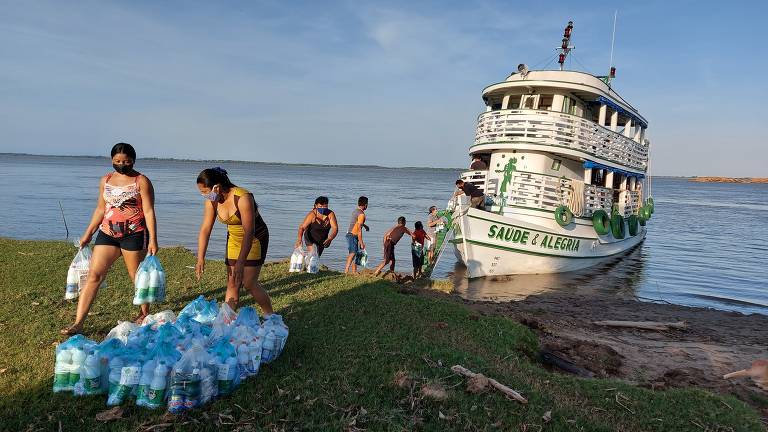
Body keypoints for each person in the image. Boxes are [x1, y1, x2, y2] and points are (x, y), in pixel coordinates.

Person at [61, 143, 158, 335]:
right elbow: (100, 209)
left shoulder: (141, 181)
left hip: (134, 233)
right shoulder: (105, 180)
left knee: (136, 278)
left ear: (133, 161)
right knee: (94, 276)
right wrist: (89, 232)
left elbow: (148, 211)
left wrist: (153, 239)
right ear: (112, 160)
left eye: (126, 161)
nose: (122, 165)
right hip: (107, 233)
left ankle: (143, 315)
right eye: (118, 161)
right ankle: (78, 323)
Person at [195, 168, 273, 314]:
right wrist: (200, 258)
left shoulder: (243, 197)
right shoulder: (212, 201)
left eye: (205, 191)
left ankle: (270, 316)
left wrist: (240, 262)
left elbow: (249, 231)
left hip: (255, 238)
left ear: (216, 187)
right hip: (234, 239)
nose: (204, 195)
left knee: (249, 283)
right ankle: (227, 320)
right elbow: (205, 229)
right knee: (232, 283)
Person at [344, 196, 368, 274]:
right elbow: (359, 229)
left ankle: (354, 271)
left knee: (355, 253)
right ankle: (346, 271)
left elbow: (356, 222)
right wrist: (361, 242)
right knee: (353, 253)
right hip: (352, 235)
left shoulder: (355, 211)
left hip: (350, 234)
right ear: (365, 204)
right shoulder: (362, 215)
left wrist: (365, 225)